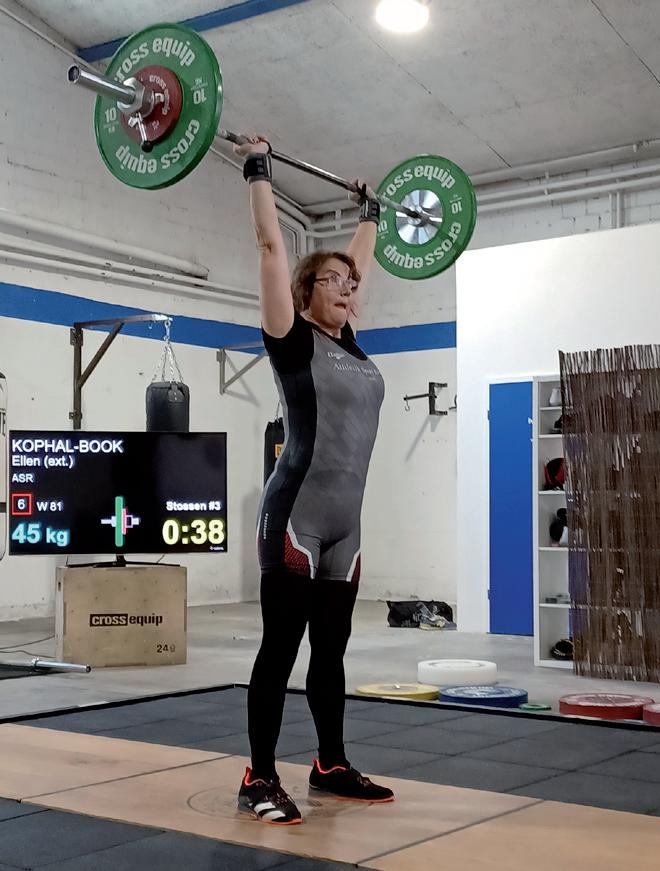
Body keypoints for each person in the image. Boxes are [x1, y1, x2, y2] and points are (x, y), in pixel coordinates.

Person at [234, 135, 394, 825]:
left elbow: (358, 265)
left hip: (346, 526)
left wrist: (371, 214)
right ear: (305, 293)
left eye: (351, 283)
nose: (349, 288)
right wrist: (259, 169)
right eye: (334, 281)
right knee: (281, 647)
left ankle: (329, 763)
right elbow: (271, 247)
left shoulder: (351, 344)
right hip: (295, 514)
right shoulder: (292, 338)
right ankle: (259, 775)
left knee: (332, 650)